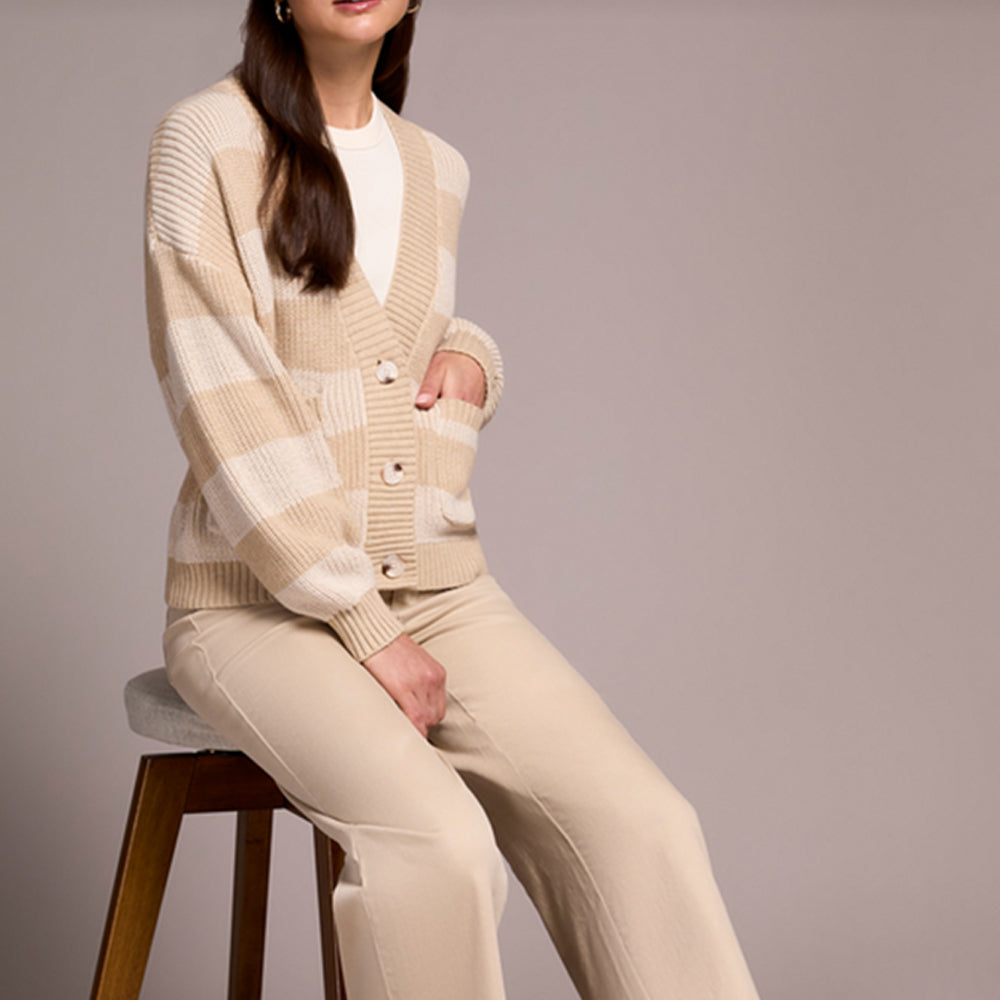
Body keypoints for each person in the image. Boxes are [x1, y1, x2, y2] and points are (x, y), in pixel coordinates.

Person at [148, 2, 763, 998]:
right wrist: (360, 623)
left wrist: (474, 354)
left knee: (644, 825)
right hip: (255, 603)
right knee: (439, 846)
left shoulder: (438, 166)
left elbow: (388, 344)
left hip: (440, 587)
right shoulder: (207, 140)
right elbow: (225, 398)